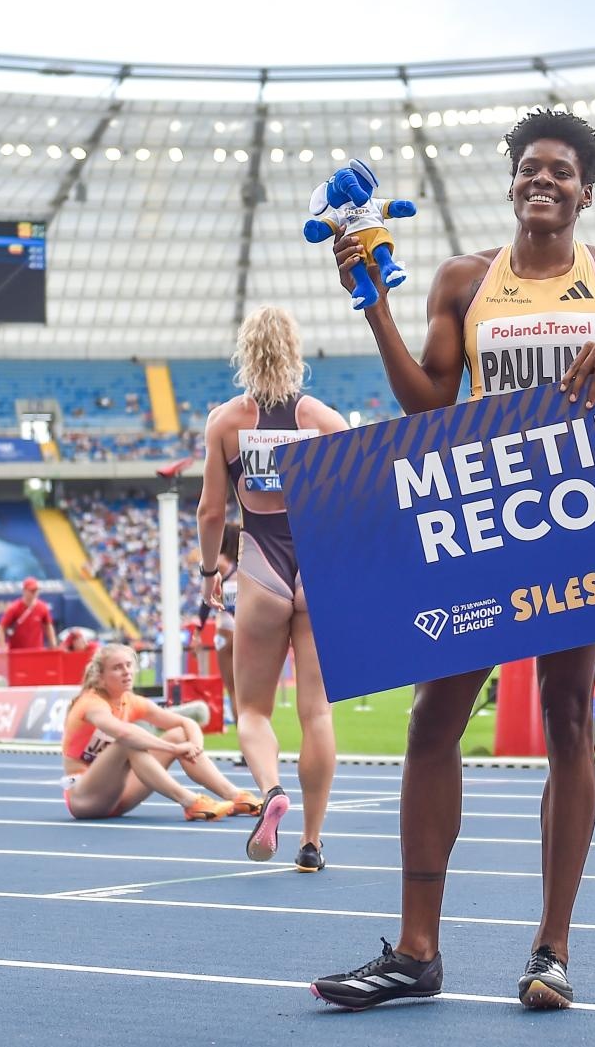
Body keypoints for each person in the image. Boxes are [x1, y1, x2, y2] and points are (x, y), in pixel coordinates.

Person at [311, 108, 595, 1012]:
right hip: (487, 525)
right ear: (512, 184)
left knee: (567, 718)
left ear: (587, 192)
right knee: (432, 719)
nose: (542, 179)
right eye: (529, 168)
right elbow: (429, 405)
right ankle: (417, 951)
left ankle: (552, 950)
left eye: (561, 171)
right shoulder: (464, 280)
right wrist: (375, 307)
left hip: (580, 522)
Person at [197, 306, 347, 871]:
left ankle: (270, 790)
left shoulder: (225, 423)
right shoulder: (323, 420)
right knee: (317, 714)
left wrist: (210, 572)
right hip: (317, 569)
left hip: (261, 566)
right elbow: (363, 495)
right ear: (294, 351)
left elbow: (211, 511)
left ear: (245, 352)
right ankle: (311, 842)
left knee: (253, 711)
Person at [60, 643, 258, 821]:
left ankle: (235, 796)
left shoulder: (131, 701)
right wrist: (174, 749)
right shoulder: (91, 704)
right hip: (84, 799)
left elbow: (187, 723)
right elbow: (124, 734)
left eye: (128, 665)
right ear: (100, 677)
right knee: (129, 743)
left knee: (179, 733)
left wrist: (194, 746)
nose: (126, 672)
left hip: (119, 796)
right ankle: (191, 802)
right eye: (117, 668)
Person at [195, 523, 242, 728]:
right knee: (248, 691)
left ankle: (244, 739)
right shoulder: (246, 563)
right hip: (245, 625)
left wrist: (198, 631)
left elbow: (206, 601)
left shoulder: (219, 563)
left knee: (233, 690)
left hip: (225, 629)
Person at [0, 576, 57, 650]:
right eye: (31, 590)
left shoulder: (42, 607)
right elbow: (1, 627)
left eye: (36, 590)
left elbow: (48, 626)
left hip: (37, 651)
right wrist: (2, 647)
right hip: (17, 651)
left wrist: (53, 643)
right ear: (24, 591)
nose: (34, 593)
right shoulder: (14, 608)